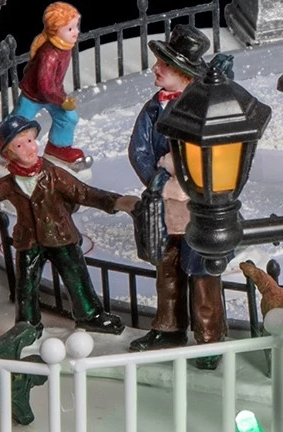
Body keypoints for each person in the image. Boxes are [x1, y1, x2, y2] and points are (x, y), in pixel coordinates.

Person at [0, 115, 137, 333]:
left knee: (76, 275)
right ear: (9, 153)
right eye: (19, 145)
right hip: (29, 240)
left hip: (61, 235)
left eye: (30, 141)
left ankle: (90, 315)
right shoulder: (9, 183)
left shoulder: (53, 174)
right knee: (26, 284)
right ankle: (27, 323)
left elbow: (84, 192)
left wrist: (117, 202)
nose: (28, 148)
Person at [127, 24, 227, 369]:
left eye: (164, 65)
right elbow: (139, 150)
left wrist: (183, 170)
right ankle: (169, 327)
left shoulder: (206, 106)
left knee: (203, 272)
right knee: (167, 267)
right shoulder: (154, 108)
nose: (156, 69)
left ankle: (209, 337)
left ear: (184, 73)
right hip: (166, 203)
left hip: (199, 205)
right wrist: (157, 180)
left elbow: (220, 154)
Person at [12, 1, 88, 169]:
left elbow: (53, 82)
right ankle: (9, 147)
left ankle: (58, 147)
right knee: (18, 124)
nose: (76, 32)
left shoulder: (65, 47)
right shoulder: (50, 54)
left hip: (51, 95)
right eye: (70, 29)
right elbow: (45, 86)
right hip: (34, 95)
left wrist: (60, 96)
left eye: (76, 26)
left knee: (68, 118)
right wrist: (62, 100)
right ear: (55, 31)